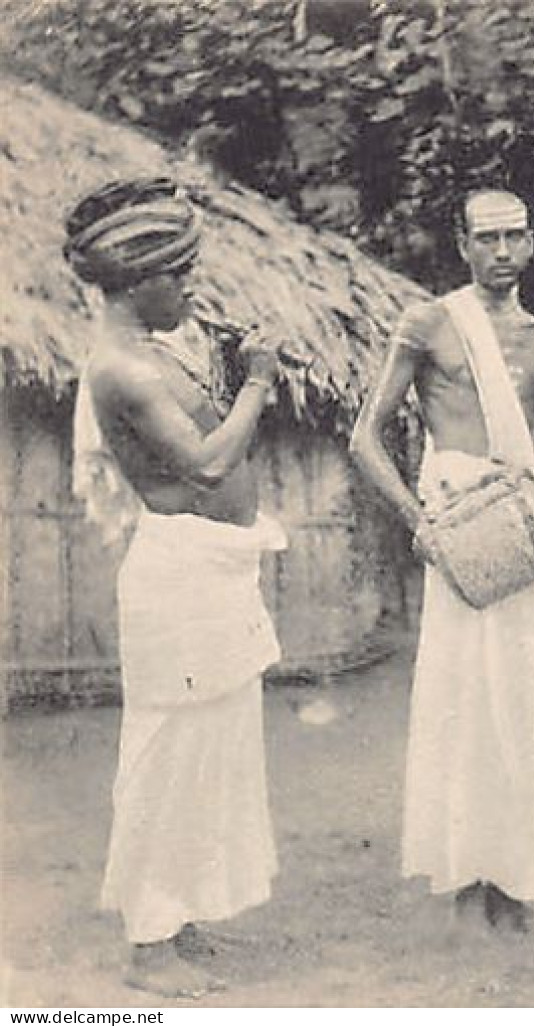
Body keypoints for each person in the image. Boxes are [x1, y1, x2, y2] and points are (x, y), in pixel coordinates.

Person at [65, 177, 287, 998]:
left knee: (209, 754)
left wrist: (234, 370)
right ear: (135, 282)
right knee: (168, 755)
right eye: (180, 277)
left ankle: (177, 917)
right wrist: (259, 378)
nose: (190, 292)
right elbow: (205, 464)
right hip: (178, 575)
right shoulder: (119, 368)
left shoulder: (156, 356)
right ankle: (149, 947)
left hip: (210, 571)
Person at [350, 189, 534, 933]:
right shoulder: (430, 323)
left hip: (524, 537)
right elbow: (366, 436)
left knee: (516, 707)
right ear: (461, 244)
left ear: (532, 244)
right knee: (458, 707)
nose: (502, 251)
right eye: (487, 238)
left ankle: (513, 885)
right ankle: (462, 881)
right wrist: (419, 523)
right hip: (456, 532)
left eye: (516, 236)